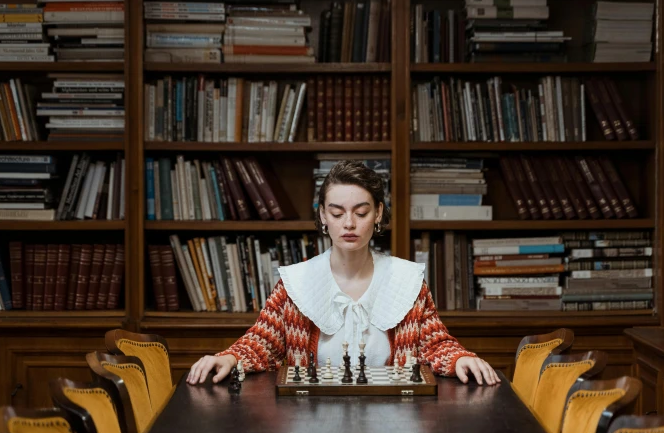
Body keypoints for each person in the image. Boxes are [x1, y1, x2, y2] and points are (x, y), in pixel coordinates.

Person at [187, 160, 501, 386]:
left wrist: (461, 358)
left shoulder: (407, 281)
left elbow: (435, 345)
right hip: (310, 426)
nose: (348, 224)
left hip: (395, 425)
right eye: (337, 213)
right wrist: (229, 358)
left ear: (378, 213)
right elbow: (262, 342)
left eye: (361, 212)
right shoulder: (296, 282)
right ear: (323, 215)